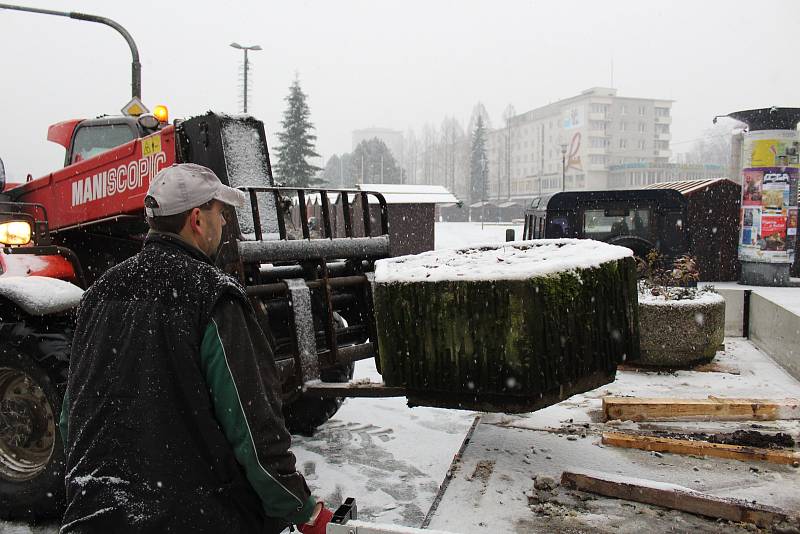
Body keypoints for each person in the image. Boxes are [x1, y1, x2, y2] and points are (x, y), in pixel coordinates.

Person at [59, 163, 333, 533]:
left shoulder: (99, 293)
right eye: (220, 213)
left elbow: (71, 417)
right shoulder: (212, 296)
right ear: (197, 220)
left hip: (96, 516)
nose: (223, 224)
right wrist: (300, 507)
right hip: (193, 519)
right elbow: (253, 427)